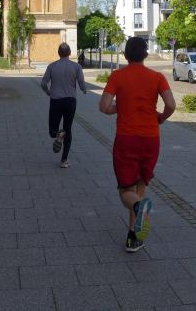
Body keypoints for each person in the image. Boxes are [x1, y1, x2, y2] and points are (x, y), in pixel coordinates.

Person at [99, 37, 176, 252]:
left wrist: (121, 106)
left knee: (126, 191)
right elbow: (171, 104)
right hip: (151, 139)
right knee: (140, 185)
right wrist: (161, 117)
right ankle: (133, 236)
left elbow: (104, 107)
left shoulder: (117, 76)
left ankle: (139, 207)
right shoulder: (157, 77)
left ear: (125, 56)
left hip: (127, 139)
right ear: (145, 55)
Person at [41, 42, 87, 168]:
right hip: (70, 102)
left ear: (58, 53)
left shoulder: (52, 66)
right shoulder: (76, 67)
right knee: (68, 129)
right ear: (70, 53)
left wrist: (48, 92)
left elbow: (43, 84)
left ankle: (58, 134)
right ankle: (64, 160)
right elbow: (81, 83)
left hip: (55, 101)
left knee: (52, 131)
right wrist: (84, 90)